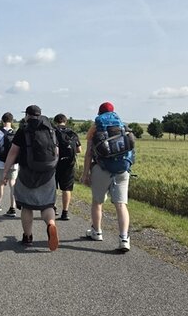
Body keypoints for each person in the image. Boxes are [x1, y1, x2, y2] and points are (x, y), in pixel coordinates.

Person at [1, 105, 59, 250]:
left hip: (27, 172)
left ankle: (27, 237)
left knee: (27, 206)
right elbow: (56, 151)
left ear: (27, 115)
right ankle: (51, 224)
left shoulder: (24, 129)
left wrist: (5, 172)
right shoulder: (50, 129)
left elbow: (13, 152)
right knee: (47, 205)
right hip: (48, 172)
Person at [80, 102, 132, 252]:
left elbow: (89, 153)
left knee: (97, 202)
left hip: (101, 169)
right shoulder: (122, 126)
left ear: (99, 113)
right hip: (122, 169)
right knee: (121, 204)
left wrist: (85, 174)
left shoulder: (96, 128)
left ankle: (97, 231)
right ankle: (124, 239)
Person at [53, 113, 81, 220]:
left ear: (55, 122)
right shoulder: (72, 133)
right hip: (69, 164)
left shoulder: (54, 132)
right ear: (66, 121)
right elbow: (79, 150)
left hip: (55, 163)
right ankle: (65, 212)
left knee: (53, 187)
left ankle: (53, 208)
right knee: (67, 189)